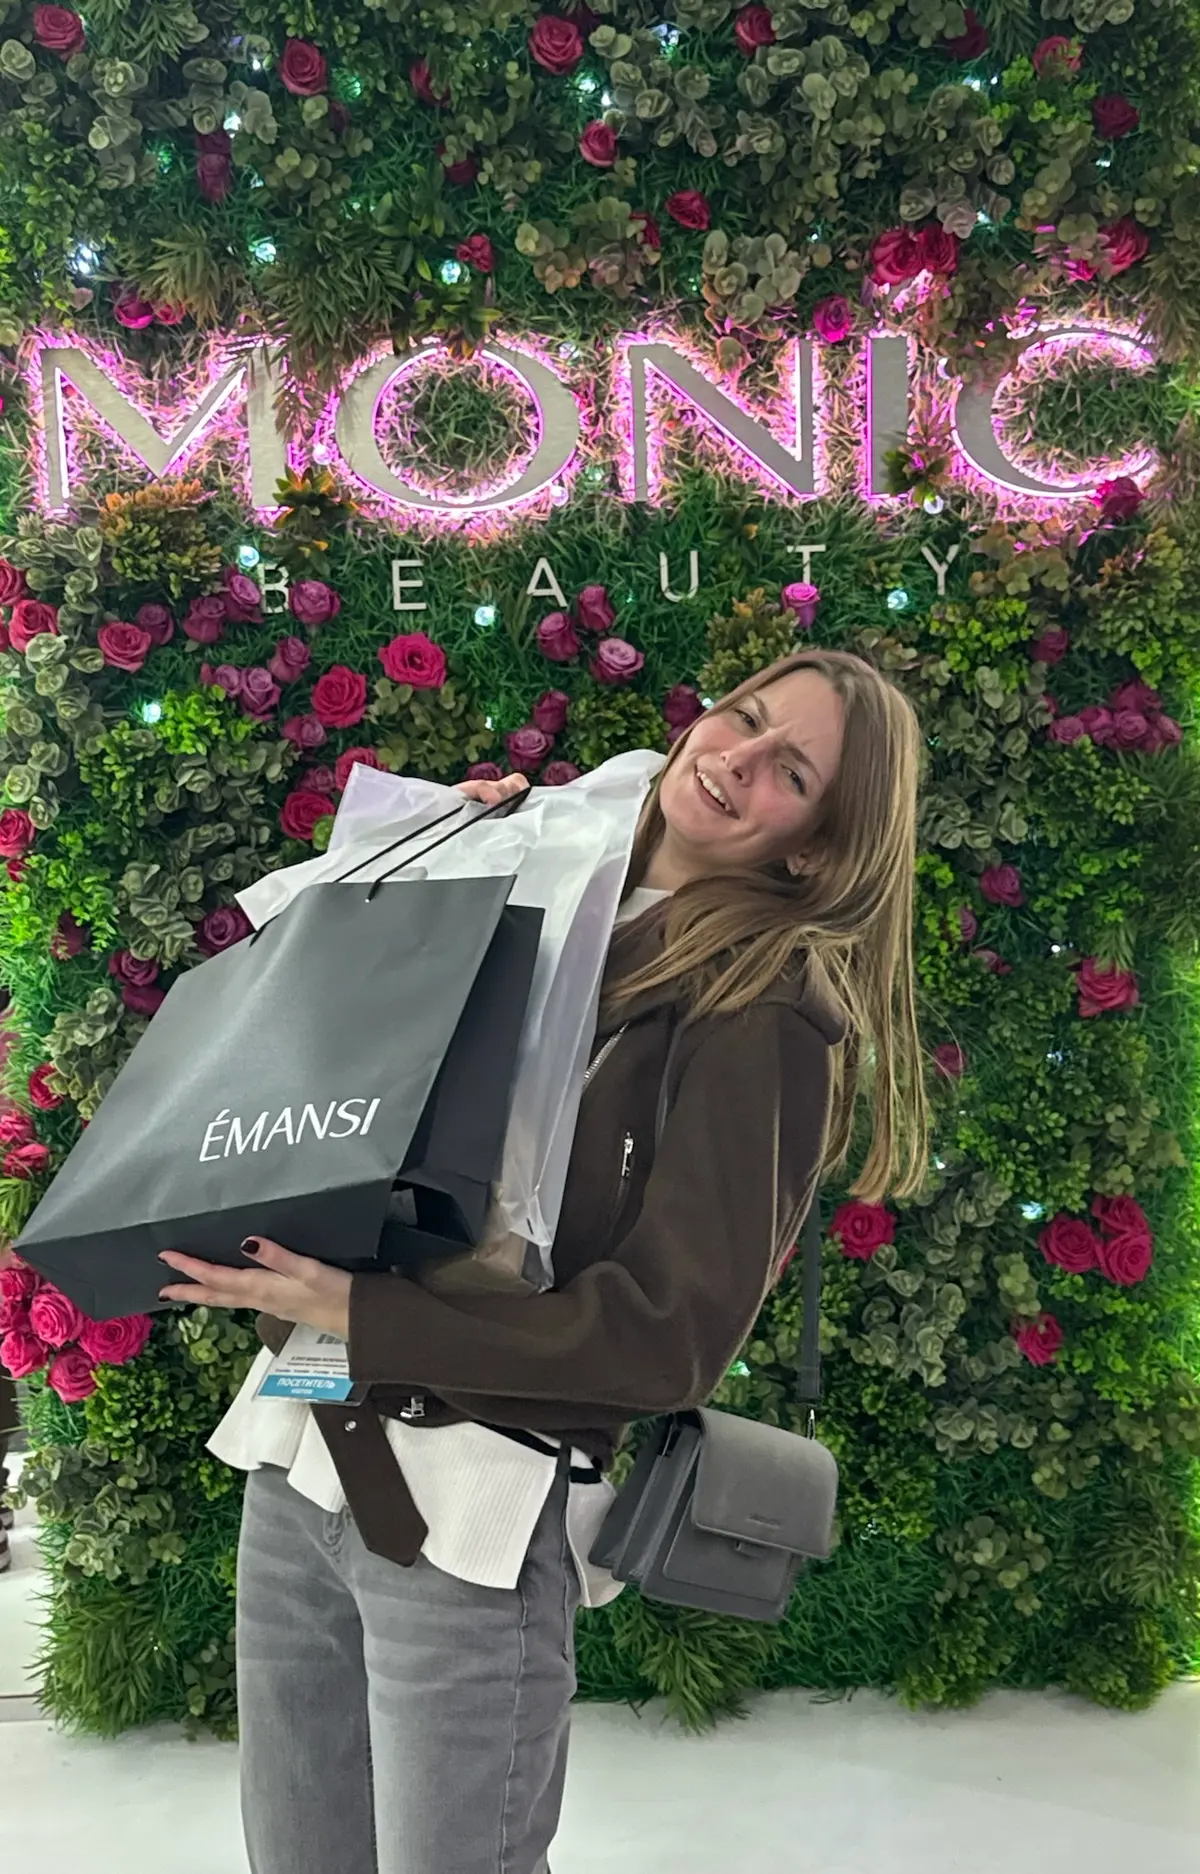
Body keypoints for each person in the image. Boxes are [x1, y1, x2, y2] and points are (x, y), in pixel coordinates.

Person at [148, 649, 924, 1873]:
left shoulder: (761, 1013)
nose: (736, 759)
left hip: (470, 1507)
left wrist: (364, 1308)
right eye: (743, 717)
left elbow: (666, 1332)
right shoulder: (538, 861)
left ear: (815, 848)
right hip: (304, 1444)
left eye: (792, 771)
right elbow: (339, 1083)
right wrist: (430, 866)